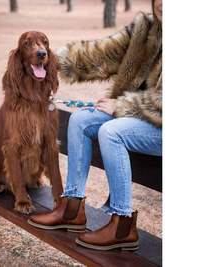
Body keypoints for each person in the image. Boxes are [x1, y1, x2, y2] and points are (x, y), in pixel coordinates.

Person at [28, 0, 163, 251]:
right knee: (81, 119)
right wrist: (44, 58)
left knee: (111, 132)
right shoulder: (145, 29)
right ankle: (72, 209)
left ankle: (122, 224)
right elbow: (100, 54)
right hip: (137, 117)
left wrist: (123, 106)